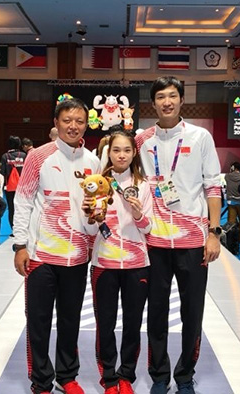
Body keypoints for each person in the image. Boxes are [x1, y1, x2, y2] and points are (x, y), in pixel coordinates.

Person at [135, 76, 222, 394]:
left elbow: (213, 185)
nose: (167, 102)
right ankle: (159, 375)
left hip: (193, 241)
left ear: (182, 100)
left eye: (172, 96)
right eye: (161, 97)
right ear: (153, 103)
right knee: (156, 311)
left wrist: (214, 233)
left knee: (192, 312)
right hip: (154, 242)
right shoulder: (142, 140)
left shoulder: (200, 137)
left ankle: (185, 375)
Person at [13, 98, 100, 394]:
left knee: (70, 320)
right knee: (38, 321)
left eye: (79, 121)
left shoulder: (93, 162)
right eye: (67, 120)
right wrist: (20, 245)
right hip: (41, 255)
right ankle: (40, 380)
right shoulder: (38, 156)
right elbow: (23, 201)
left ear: (86, 125)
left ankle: (67, 376)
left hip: (76, 257)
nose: (73, 126)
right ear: (56, 123)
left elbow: (95, 209)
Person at [89, 130, 152, 394]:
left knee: (133, 323)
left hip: (137, 264)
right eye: (116, 150)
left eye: (127, 150)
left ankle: (126, 375)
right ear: (108, 152)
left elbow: (148, 228)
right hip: (104, 263)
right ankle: (109, 377)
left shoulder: (144, 185)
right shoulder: (97, 184)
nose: (122, 155)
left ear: (134, 153)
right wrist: (93, 216)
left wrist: (138, 214)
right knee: (105, 323)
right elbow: (89, 228)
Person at [1, 136, 27, 235]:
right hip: (22, 187)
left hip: (9, 187)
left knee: (11, 208)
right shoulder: (23, 155)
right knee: (22, 208)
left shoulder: (5, 156)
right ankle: (23, 229)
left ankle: (14, 229)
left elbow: (2, 173)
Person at [224, 162, 240, 243]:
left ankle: (231, 239)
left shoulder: (227, 176)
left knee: (231, 221)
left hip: (231, 201)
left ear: (233, 167)